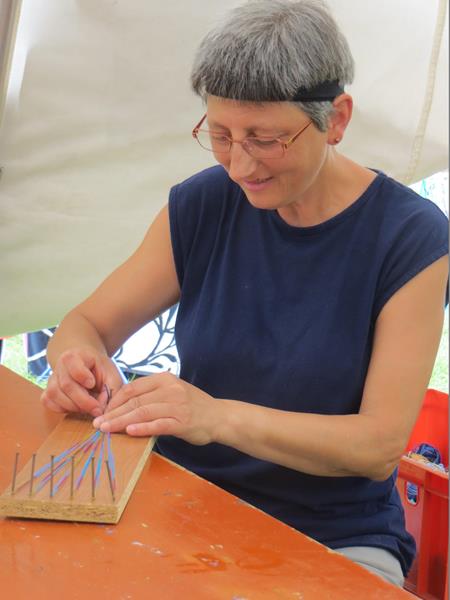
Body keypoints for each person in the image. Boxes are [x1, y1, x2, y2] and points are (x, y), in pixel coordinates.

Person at [42, 0, 448, 588]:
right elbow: (86, 324)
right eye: (221, 135)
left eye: (264, 138)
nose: (238, 165)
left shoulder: (409, 235)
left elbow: (376, 446)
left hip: (333, 533)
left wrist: (214, 417)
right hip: (185, 499)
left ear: (336, 119)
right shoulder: (204, 204)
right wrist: (75, 360)